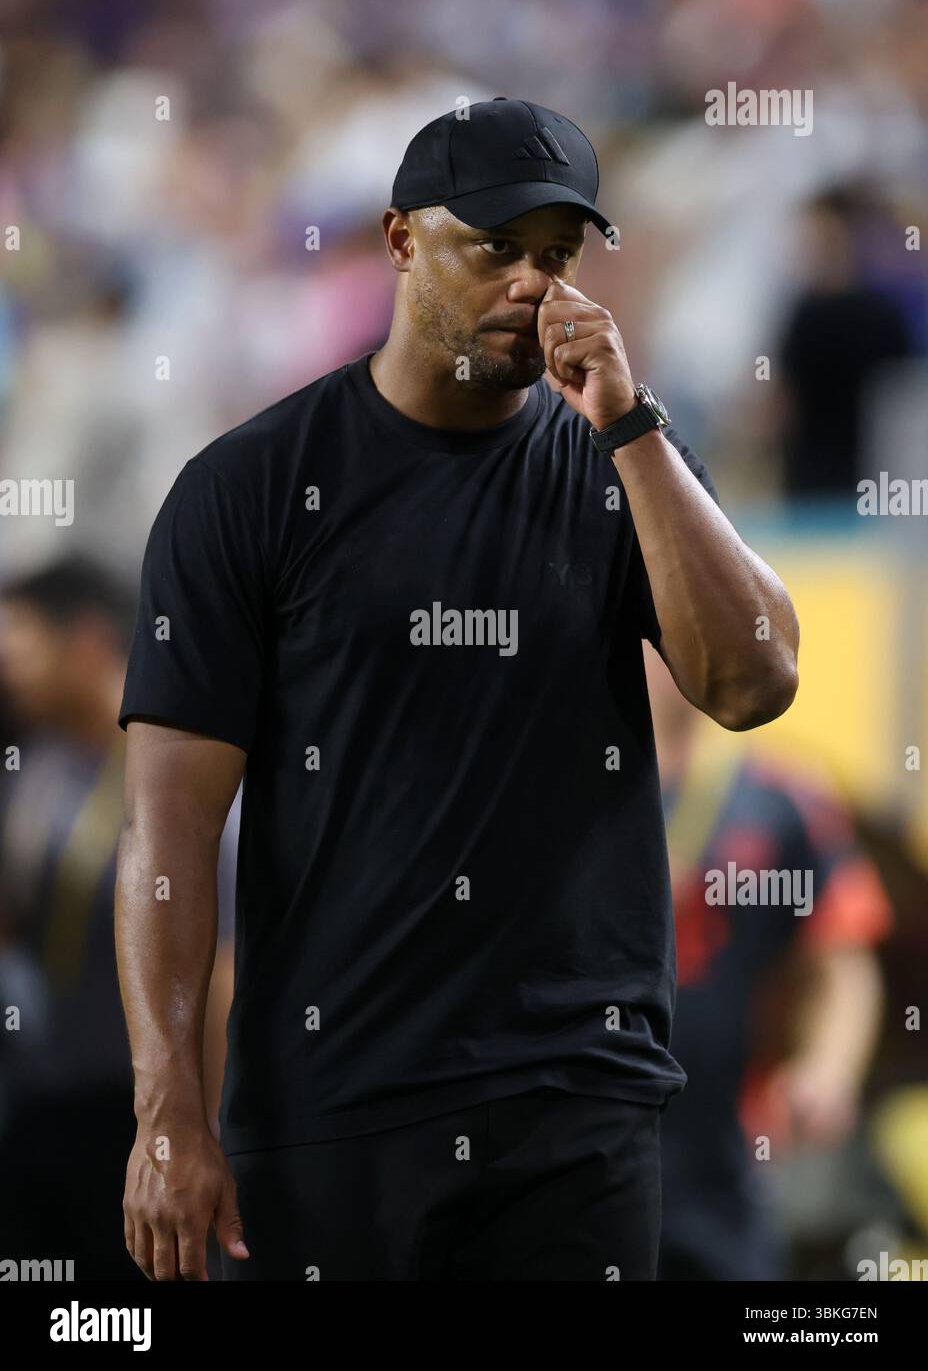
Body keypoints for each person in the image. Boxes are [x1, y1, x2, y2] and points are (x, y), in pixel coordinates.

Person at [116, 97, 799, 1282]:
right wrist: (168, 1105)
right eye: (493, 247)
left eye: (556, 255)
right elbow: (167, 826)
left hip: (576, 1106)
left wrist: (631, 429)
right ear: (397, 240)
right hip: (337, 1101)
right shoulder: (252, 488)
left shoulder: (619, 458)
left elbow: (752, 683)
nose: (532, 284)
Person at [0, 556, 237, 1279]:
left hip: (141, 1111)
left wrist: (210, 1128)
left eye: (21, 648)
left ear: (88, 640)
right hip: (42, 1100)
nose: (9, 672)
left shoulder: (179, 771)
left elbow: (221, 967)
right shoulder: (35, 766)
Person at [642, 643, 892, 1280]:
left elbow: (841, 961)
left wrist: (826, 1070)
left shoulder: (781, 799)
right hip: (573, 1154)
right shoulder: (555, 789)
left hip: (725, 1161)